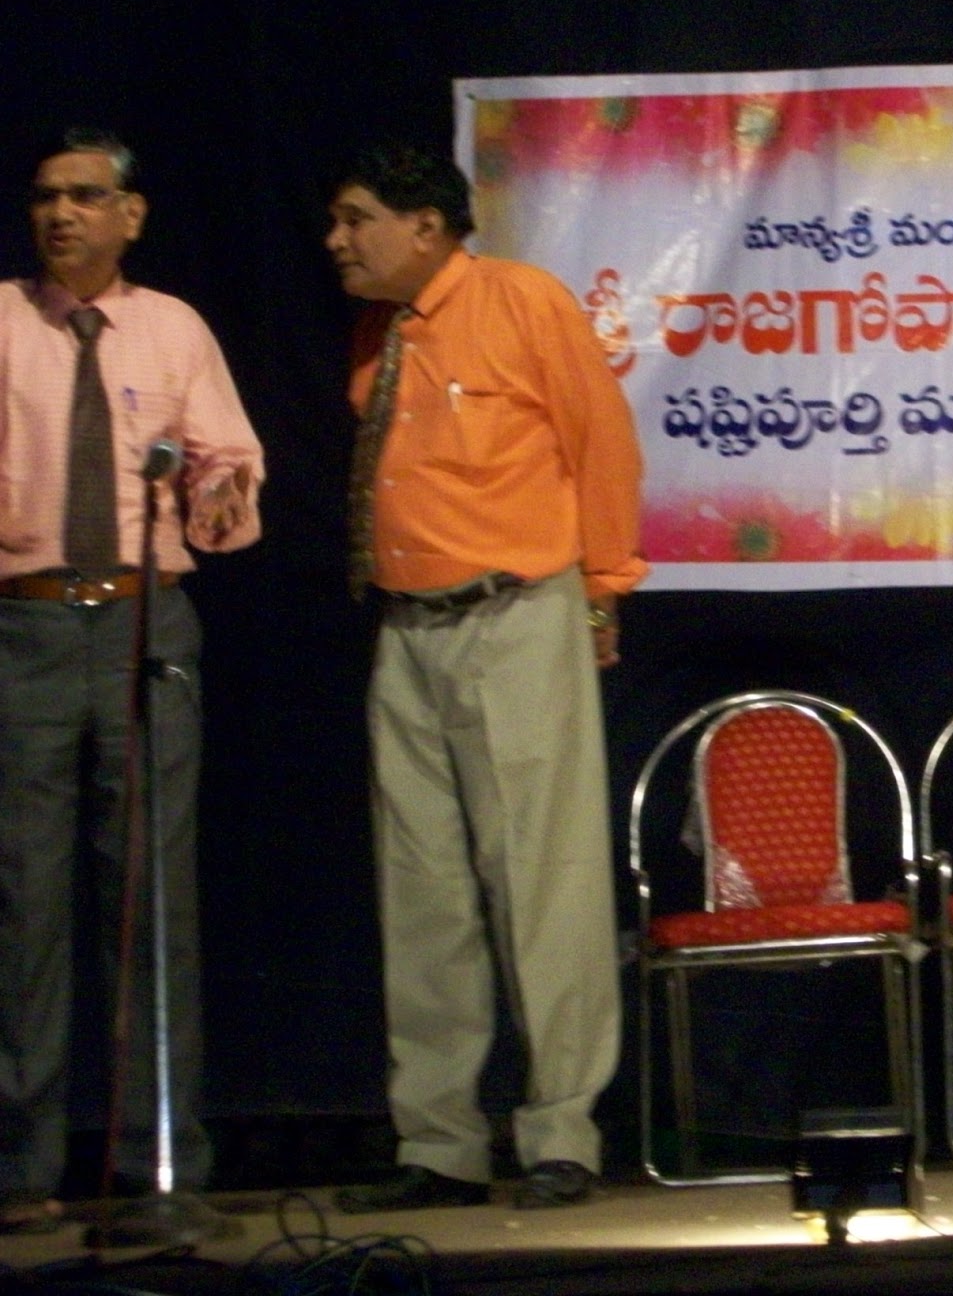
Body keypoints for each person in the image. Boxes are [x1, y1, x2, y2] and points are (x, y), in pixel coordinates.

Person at [325, 145, 646, 1213]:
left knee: (542, 880)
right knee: (420, 893)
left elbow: (602, 444)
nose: (336, 241)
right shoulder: (382, 330)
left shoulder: (521, 301)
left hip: (514, 616)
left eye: (355, 218)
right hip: (406, 628)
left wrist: (603, 588)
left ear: (425, 225)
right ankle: (440, 1143)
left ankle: (560, 1133)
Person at [1, 130, 263, 1234]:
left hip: (144, 622)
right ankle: (19, 1170)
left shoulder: (173, 328)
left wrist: (217, 495)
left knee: (150, 900)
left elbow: (228, 462)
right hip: (24, 626)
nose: (60, 215)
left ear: (131, 215)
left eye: (84, 196)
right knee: (24, 904)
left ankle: (159, 1166)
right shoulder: (2, 320)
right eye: (45, 198)